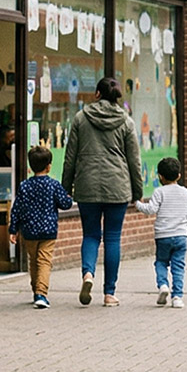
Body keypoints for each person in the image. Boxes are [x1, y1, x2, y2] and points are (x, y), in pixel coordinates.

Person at [62, 76, 145, 305]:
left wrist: (66, 187)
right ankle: (109, 293)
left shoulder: (81, 118)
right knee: (112, 239)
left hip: (87, 184)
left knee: (90, 235)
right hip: (117, 186)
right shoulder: (126, 122)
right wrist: (138, 191)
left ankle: (88, 273)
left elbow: (70, 157)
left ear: (97, 94)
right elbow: (134, 160)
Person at [8, 145, 75, 308]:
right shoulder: (53, 185)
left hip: (29, 230)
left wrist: (13, 229)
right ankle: (41, 294)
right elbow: (66, 204)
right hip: (48, 230)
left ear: (31, 167)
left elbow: (17, 208)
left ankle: (36, 289)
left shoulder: (24, 186)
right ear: (49, 166)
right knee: (44, 261)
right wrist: (69, 194)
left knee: (34, 261)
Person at [137, 156, 187, 308]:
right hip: (181, 236)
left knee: (161, 262)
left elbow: (150, 209)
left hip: (163, 236)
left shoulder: (159, 192)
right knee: (178, 266)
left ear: (160, 177)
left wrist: (137, 203)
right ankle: (177, 297)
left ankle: (163, 285)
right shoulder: (185, 193)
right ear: (179, 175)